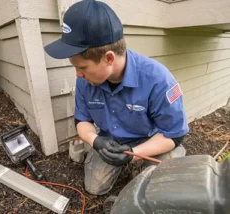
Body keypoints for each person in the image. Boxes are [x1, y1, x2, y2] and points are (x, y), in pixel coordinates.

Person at [44, 0, 189, 195]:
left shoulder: (158, 80)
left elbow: (174, 134)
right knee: (95, 188)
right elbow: (82, 120)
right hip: (110, 141)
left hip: (151, 140)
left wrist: (133, 155)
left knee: (164, 186)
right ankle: (127, 164)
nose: (78, 74)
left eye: (82, 67)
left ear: (109, 58)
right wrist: (96, 141)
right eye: (75, 67)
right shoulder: (84, 81)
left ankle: (154, 162)